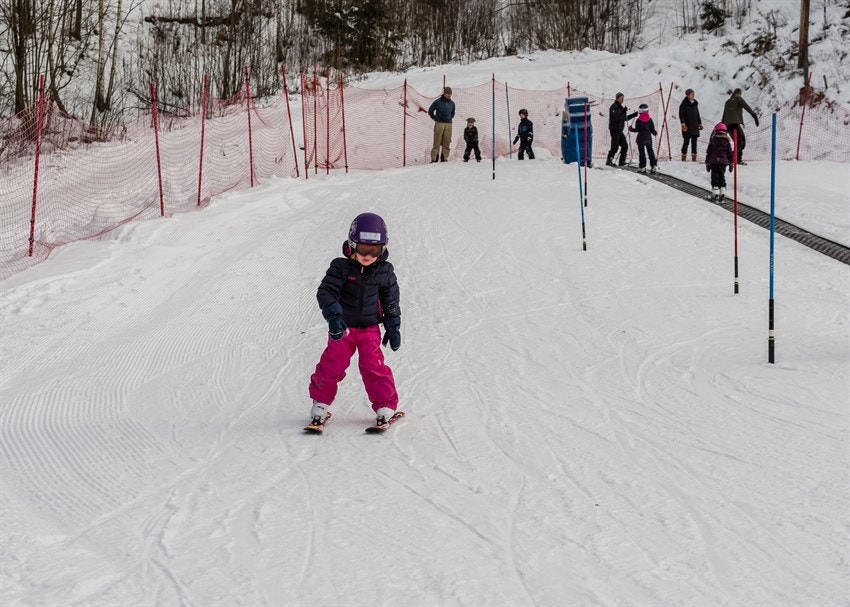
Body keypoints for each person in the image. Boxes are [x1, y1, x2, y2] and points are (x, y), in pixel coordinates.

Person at [308, 212, 402, 428]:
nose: (368, 256)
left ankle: (385, 405)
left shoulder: (385, 272)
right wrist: (332, 316)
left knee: (373, 366)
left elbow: (390, 300)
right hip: (343, 328)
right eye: (362, 249)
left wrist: (393, 326)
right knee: (332, 365)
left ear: (383, 249)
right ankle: (320, 403)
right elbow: (326, 291)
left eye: (374, 250)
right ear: (352, 245)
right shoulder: (340, 267)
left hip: (370, 329)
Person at [721, 88, 759, 165]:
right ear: (738, 93)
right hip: (735, 124)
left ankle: (734, 158)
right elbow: (746, 106)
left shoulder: (727, 102)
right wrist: (753, 114)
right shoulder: (738, 98)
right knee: (741, 142)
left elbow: (724, 114)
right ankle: (735, 159)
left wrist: (722, 125)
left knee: (738, 142)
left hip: (728, 126)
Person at [605, 93, 638, 166]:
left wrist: (633, 115)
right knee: (615, 147)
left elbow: (624, 118)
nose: (623, 100)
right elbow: (615, 118)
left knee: (625, 146)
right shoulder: (613, 107)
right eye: (621, 98)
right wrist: (622, 111)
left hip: (620, 130)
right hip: (614, 130)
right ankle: (609, 160)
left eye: (623, 98)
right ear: (618, 98)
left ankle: (622, 161)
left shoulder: (620, 108)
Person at [705, 123, 735, 202]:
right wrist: (731, 163)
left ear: (715, 131)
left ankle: (715, 193)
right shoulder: (727, 142)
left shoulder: (712, 141)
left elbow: (709, 152)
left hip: (714, 163)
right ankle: (723, 193)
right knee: (722, 177)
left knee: (715, 177)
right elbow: (730, 154)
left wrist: (707, 162)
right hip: (723, 163)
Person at [628, 103, 658, 174]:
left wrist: (631, 129)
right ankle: (653, 166)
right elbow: (652, 130)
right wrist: (654, 133)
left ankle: (642, 167)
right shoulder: (650, 120)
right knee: (650, 152)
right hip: (648, 138)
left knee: (642, 153)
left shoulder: (638, 120)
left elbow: (637, 129)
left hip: (641, 138)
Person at [428, 86, 455, 163]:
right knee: (437, 141)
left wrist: (449, 118)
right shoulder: (437, 102)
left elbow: (453, 113)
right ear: (444, 93)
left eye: (450, 93)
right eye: (447, 93)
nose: (449, 95)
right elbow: (430, 111)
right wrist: (435, 118)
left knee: (447, 141)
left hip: (449, 124)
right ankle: (434, 158)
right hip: (439, 123)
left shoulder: (452, 103)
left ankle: (444, 158)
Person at [678, 88, 703, 161]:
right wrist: (683, 124)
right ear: (688, 95)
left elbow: (697, 114)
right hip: (687, 126)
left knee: (694, 142)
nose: (693, 95)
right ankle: (683, 157)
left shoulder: (695, 103)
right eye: (692, 94)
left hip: (695, 126)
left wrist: (700, 123)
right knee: (686, 142)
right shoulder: (683, 104)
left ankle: (694, 158)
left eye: (693, 94)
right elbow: (681, 115)